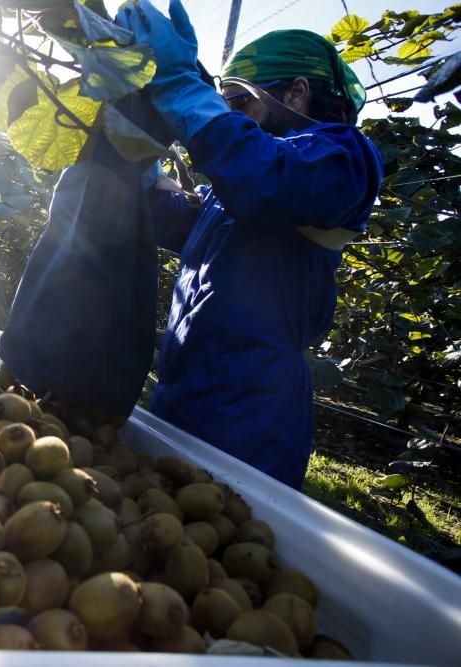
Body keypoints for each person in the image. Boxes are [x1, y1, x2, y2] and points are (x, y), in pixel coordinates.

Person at [116, 1, 383, 488]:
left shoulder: (343, 156)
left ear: (297, 92)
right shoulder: (235, 184)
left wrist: (182, 85)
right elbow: (162, 219)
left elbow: (266, 181)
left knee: (223, 534)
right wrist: (141, 129)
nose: (230, 115)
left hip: (251, 408)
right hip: (186, 385)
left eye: (240, 103)